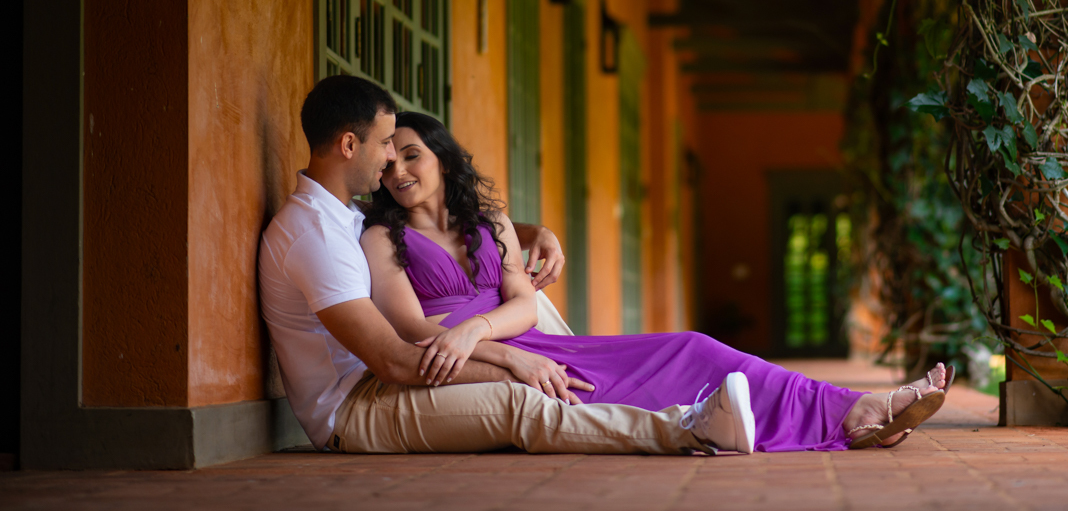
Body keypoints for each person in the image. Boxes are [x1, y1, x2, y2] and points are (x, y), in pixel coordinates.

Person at [360, 111, 949, 453]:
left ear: (443, 158)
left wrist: (479, 332)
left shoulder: (490, 225)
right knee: (646, 392)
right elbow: (412, 328)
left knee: (692, 348)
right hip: (471, 361)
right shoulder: (382, 239)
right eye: (389, 165)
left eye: (413, 156)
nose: (401, 172)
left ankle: (851, 409)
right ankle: (853, 415)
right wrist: (495, 353)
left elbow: (524, 305)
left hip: (528, 344)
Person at [259, 75, 755, 456]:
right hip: (352, 413)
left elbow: (444, 227)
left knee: (534, 327)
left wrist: (530, 233)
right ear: (349, 145)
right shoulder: (315, 235)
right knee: (520, 398)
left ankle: (658, 387)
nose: (391, 158)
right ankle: (685, 428)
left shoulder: (341, 213)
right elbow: (393, 358)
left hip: (388, 380)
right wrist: (509, 358)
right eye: (386, 143)